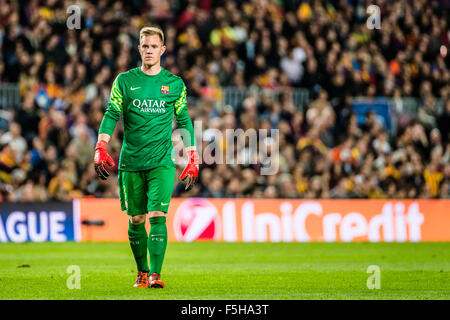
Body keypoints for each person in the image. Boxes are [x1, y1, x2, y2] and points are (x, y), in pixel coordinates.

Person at [94, 26, 199, 288]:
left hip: (162, 162)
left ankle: (155, 274)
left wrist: (192, 156)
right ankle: (142, 272)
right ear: (139, 48)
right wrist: (101, 146)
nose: (149, 50)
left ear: (162, 50)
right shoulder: (124, 81)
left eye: (154, 46)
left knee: (157, 216)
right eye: (145, 46)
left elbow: (184, 120)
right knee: (136, 219)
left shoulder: (174, 85)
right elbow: (111, 114)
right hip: (131, 163)